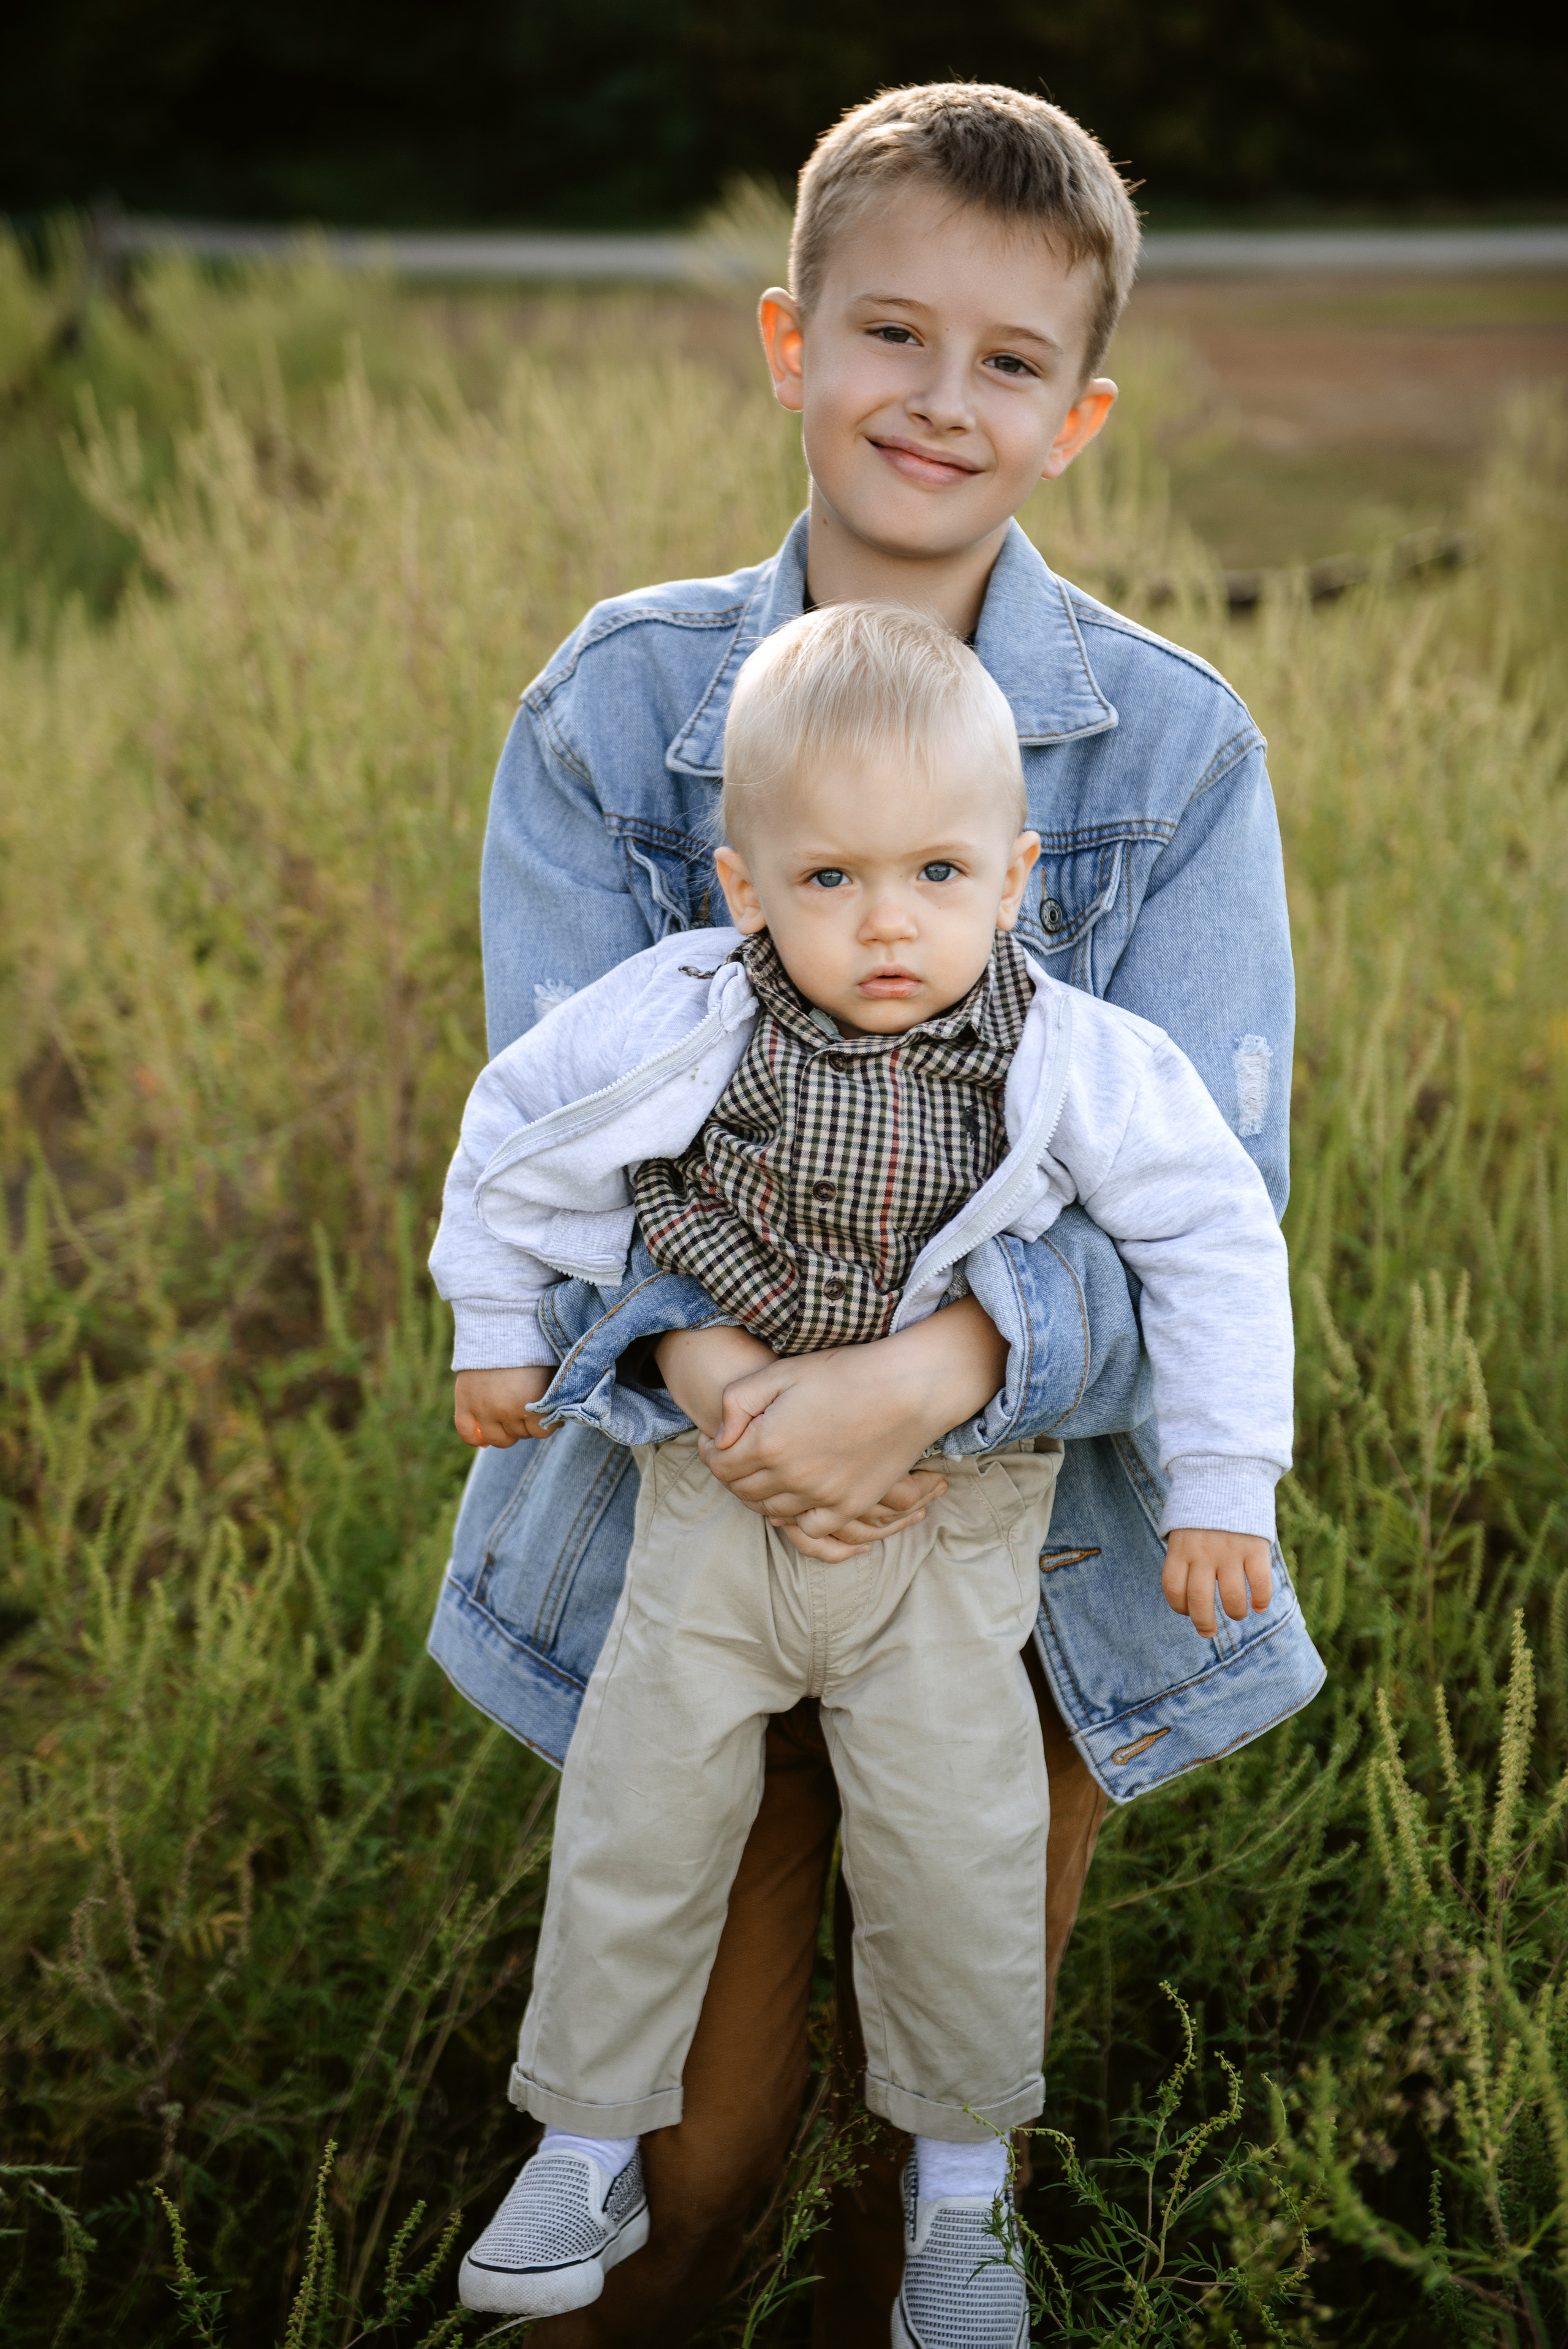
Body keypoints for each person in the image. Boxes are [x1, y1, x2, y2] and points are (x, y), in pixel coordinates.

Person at [424, 80, 1324, 2345]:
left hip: (1027, 1551)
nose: (941, 400)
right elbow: (558, 1147)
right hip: (691, 1516)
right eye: (889, 335)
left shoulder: (1176, 752)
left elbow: (1214, 1209)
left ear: (1080, 413)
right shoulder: (619, 713)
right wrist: (731, 1378)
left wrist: (938, 1370)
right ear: (788, 343)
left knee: (941, 2119)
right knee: (684, 2148)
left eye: (1009, 361)